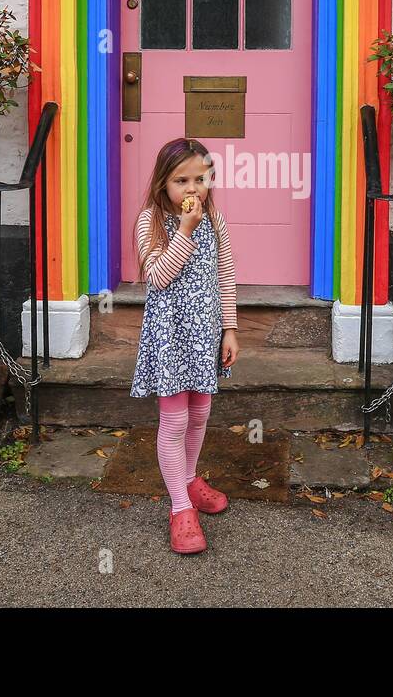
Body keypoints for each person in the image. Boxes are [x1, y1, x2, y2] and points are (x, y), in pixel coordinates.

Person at [132, 137, 240, 554]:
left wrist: (229, 329)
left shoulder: (216, 219)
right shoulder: (151, 221)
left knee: (200, 414)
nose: (192, 189)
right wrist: (184, 229)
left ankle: (191, 480)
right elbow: (159, 276)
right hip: (171, 338)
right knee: (174, 422)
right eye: (182, 180)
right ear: (163, 184)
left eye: (201, 179)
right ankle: (180, 509)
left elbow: (226, 276)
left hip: (205, 334)